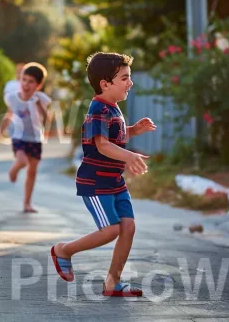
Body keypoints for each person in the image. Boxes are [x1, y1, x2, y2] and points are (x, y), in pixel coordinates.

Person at [50, 52, 156, 297]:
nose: (130, 82)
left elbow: (115, 137)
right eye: (125, 78)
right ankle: (64, 250)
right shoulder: (98, 108)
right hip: (96, 182)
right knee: (111, 229)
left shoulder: (113, 109)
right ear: (105, 84)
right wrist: (129, 156)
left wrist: (134, 130)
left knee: (127, 227)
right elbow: (102, 145)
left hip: (114, 182)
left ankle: (113, 283)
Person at [0, 62, 51, 213]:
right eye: (24, 80)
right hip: (18, 136)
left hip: (35, 138)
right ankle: (13, 170)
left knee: (32, 172)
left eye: (31, 81)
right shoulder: (12, 98)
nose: (26, 84)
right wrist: (0, 131)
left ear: (38, 85)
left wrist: (39, 106)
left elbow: (47, 118)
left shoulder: (41, 99)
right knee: (22, 160)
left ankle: (27, 203)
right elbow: (8, 114)